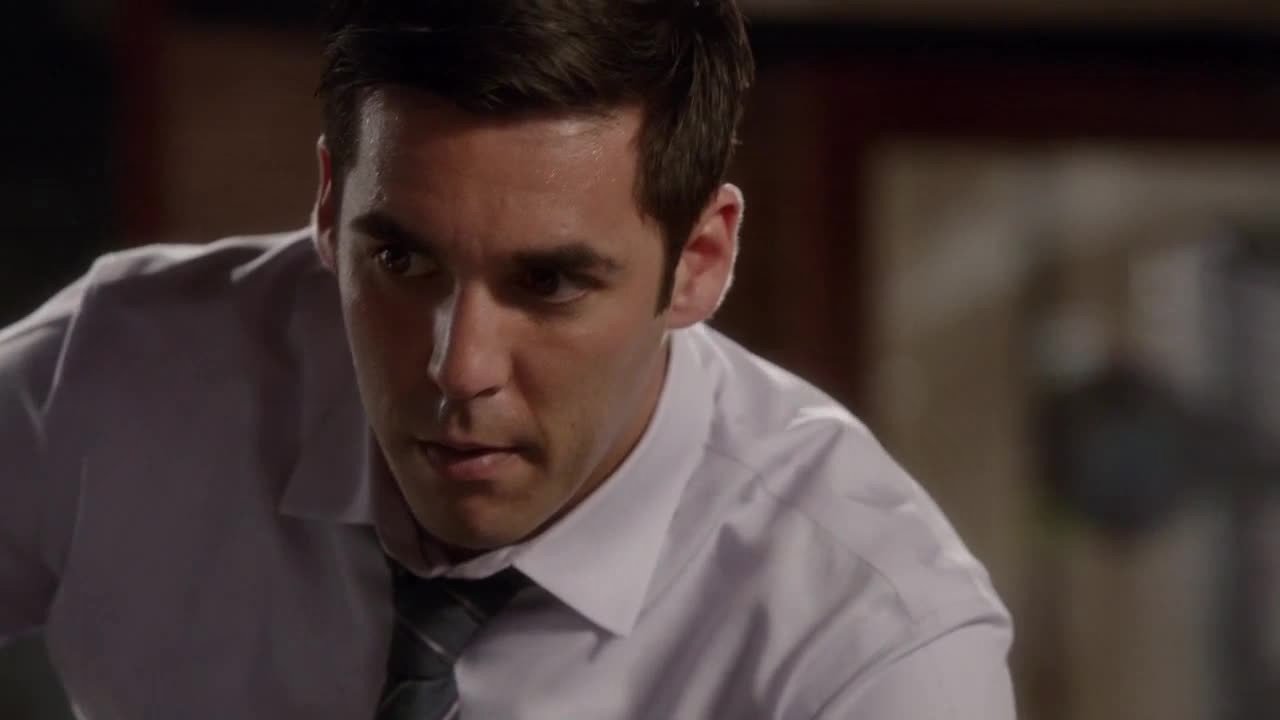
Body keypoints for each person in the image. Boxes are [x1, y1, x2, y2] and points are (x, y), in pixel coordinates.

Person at [0, 1, 1016, 717]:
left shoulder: (870, 651)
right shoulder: (127, 372)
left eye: (550, 282)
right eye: (401, 260)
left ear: (699, 262)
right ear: (330, 205)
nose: (458, 368)